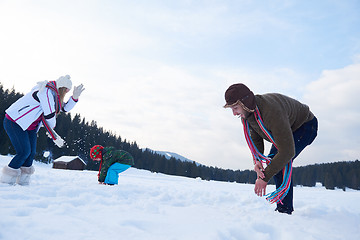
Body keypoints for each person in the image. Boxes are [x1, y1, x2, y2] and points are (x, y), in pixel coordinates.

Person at [224, 83, 318, 214]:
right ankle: (283, 209)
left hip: (305, 125)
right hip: (287, 128)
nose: (234, 113)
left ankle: (284, 211)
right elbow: (255, 138)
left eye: (235, 108)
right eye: (231, 109)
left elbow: (287, 151)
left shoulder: (271, 112)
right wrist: (257, 161)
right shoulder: (247, 115)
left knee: (280, 163)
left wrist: (264, 178)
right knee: (275, 162)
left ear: (245, 103)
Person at [1, 75, 85, 185]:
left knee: (31, 154)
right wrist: (54, 135)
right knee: (24, 152)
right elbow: (49, 115)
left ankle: (23, 182)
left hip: (30, 127)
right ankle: (6, 181)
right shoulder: (45, 92)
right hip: (15, 122)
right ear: (62, 88)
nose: (66, 94)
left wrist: (74, 98)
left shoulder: (53, 95)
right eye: (66, 91)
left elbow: (63, 108)